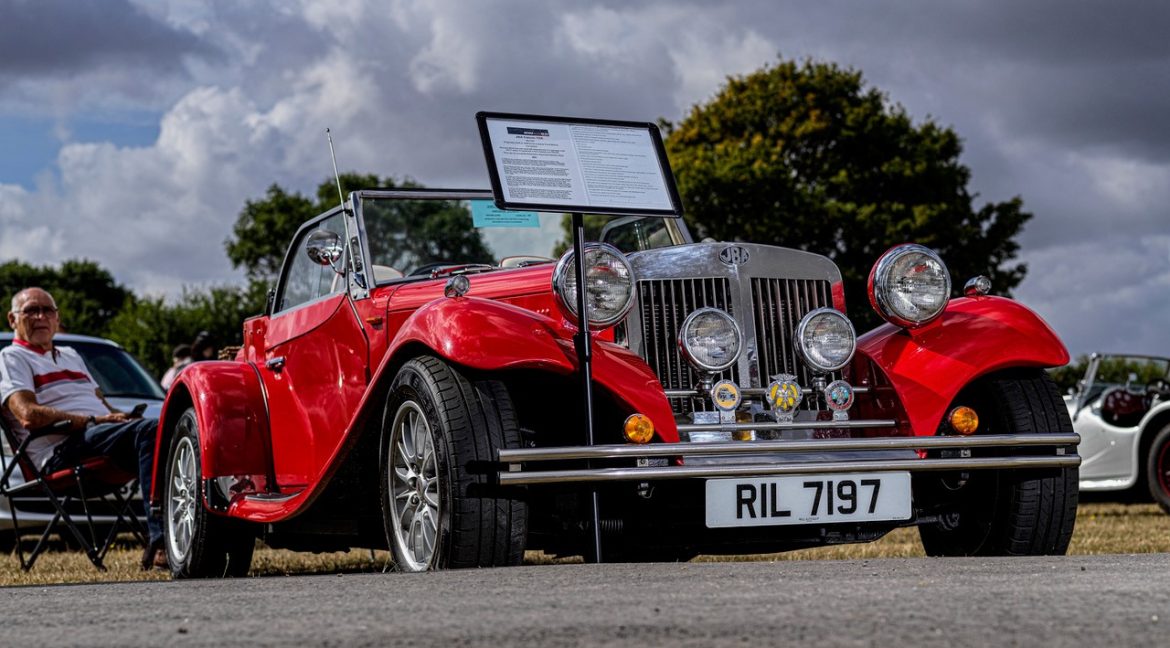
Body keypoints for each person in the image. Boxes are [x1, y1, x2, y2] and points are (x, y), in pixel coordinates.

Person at [0, 287, 166, 570]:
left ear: (57, 318)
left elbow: (99, 405)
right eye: (31, 310)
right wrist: (94, 421)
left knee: (170, 431)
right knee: (151, 432)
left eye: (47, 311)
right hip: (60, 453)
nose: (41, 317)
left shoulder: (71, 355)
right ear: (12, 319)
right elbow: (28, 415)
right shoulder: (11, 358)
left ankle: (200, 536)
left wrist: (119, 417)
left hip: (97, 441)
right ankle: (162, 542)